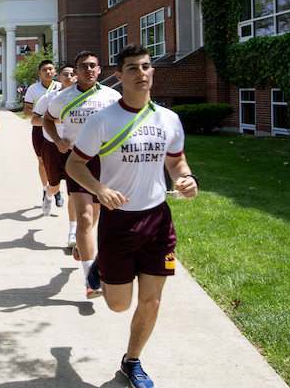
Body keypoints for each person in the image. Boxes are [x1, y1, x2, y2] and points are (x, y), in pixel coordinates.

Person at [66, 43, 198, 388]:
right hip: (119, 221)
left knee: (151, 301)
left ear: (153, 71)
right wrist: (99, 189)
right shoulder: (102, 120)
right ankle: (101, 267)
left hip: (157, 221)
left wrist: (186, 177)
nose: (142, 73)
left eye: (146, 67)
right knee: (118, 305)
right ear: (119, 76)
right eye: (133, 68)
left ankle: (132, 360)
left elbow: (176, 161)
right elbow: (74, 164)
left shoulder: (168, 119)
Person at [43, 50, 119, 298]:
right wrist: (57, 141)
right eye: (84, 66)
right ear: (75, 72)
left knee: (94, 214)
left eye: (93, 65)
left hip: (105, 161)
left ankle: (80, 243)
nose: (89, 69)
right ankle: (91, 280)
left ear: (99, 70)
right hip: (77, 161)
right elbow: (47, 120)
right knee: (84, 217)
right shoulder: (63, 97)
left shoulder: (112, 97)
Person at [32, 63, 79, 247]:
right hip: (52, 146)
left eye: (72, 74)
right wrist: (54, 120)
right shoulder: (50, 97)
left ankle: (73, 232)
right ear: (59, 78)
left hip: (75, 148)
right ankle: (49, 195)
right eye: (65, 74)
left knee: (74, 191)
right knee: (54, 185)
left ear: (77, 77)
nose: (69, 77)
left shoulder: (82, 98)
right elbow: (34, 119)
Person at [23, 59, 62, 216]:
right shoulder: (33, 89)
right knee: (42, 161)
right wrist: (42, 113)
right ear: (39, 73)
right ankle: (46, 189)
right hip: (39, 128)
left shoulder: (61, 87)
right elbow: (26, 111)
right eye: (45, 70)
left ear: (55, 72)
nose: (48, 72)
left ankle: (56, 189)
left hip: (57, 129)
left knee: (58, 160)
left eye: (51, 69)